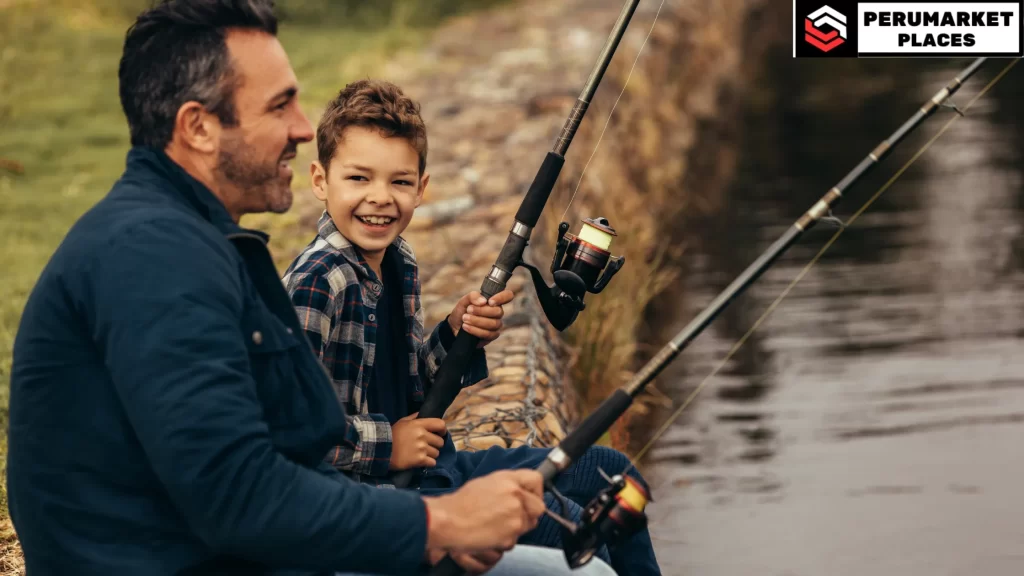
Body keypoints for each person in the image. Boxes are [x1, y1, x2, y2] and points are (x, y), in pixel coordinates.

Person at [4, 1, 618, 575]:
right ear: (198, 128)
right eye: (280, 106)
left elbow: (286, 443)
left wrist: (452, 348)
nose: (303, 129)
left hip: (266, 545)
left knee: (601, 480)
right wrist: (440, 520)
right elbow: (240, 493)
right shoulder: (154, 260)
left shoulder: (193, 242)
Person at [281, 79, 662, 576]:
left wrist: (458, 333)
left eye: (399, 182)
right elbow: (288, 431)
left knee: (612, 474)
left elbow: (412, 386)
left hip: (433, 471)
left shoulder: (398, 258)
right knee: (564, 524)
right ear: (319, 180)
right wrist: (387, 444)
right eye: (358, 178)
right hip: (376, 502)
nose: (380, 198)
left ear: (422, 188)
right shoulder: (316, 284)